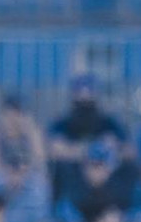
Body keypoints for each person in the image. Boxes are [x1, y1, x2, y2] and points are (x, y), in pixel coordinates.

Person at [47, 77, 126, 209]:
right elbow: (56, 150)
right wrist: (94, 151)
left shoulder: (109, 123)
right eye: (80, 101)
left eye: (89, 101)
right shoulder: (62, 124)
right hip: (72, 187)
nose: (84, 106)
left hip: (106, 185)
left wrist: (76, 151)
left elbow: (127, 150)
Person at [0, 94, 46, 183]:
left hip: (28, 176)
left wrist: (31, 133)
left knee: (37, 183)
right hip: (0, 176)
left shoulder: (32, 131)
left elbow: (39, 160)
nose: (13, 119)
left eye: (17, 115)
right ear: (2, 115)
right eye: (8, 115)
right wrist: (10, 176)